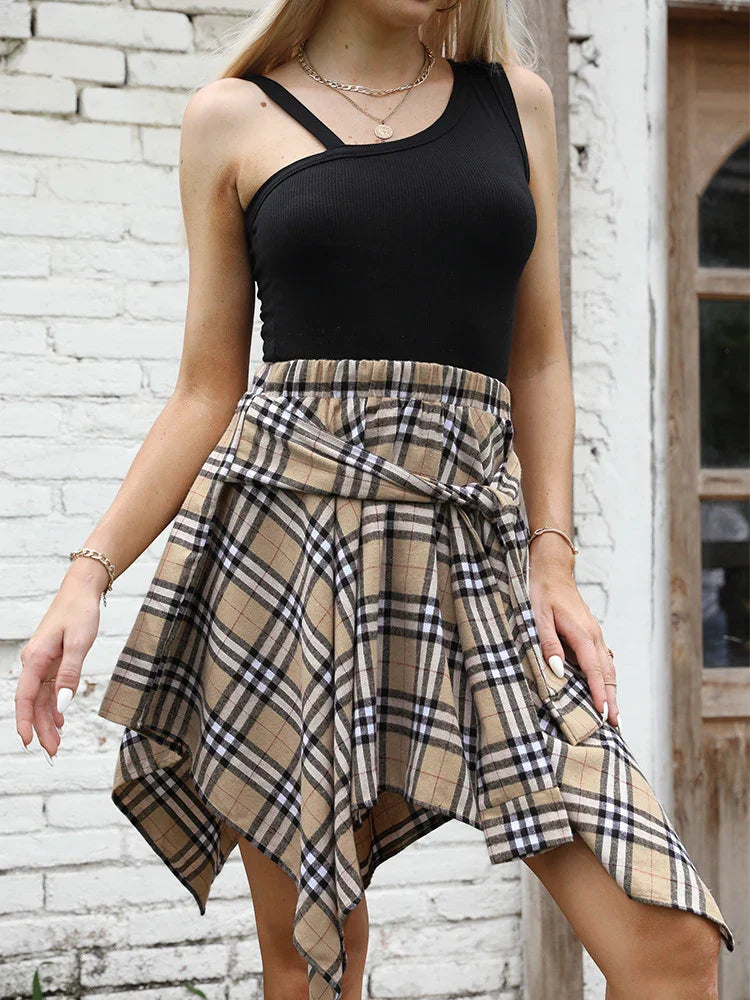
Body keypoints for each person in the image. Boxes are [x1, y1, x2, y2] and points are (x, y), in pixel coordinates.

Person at [14, 2, 734, 999]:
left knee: (669, 944)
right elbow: (205, 391)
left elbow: (540, 356)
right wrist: (86, 578)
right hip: (288, 558)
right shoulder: (229, 117)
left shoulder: (509, 104)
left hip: (473, 556)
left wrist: (553, 558)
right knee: (316, 959)